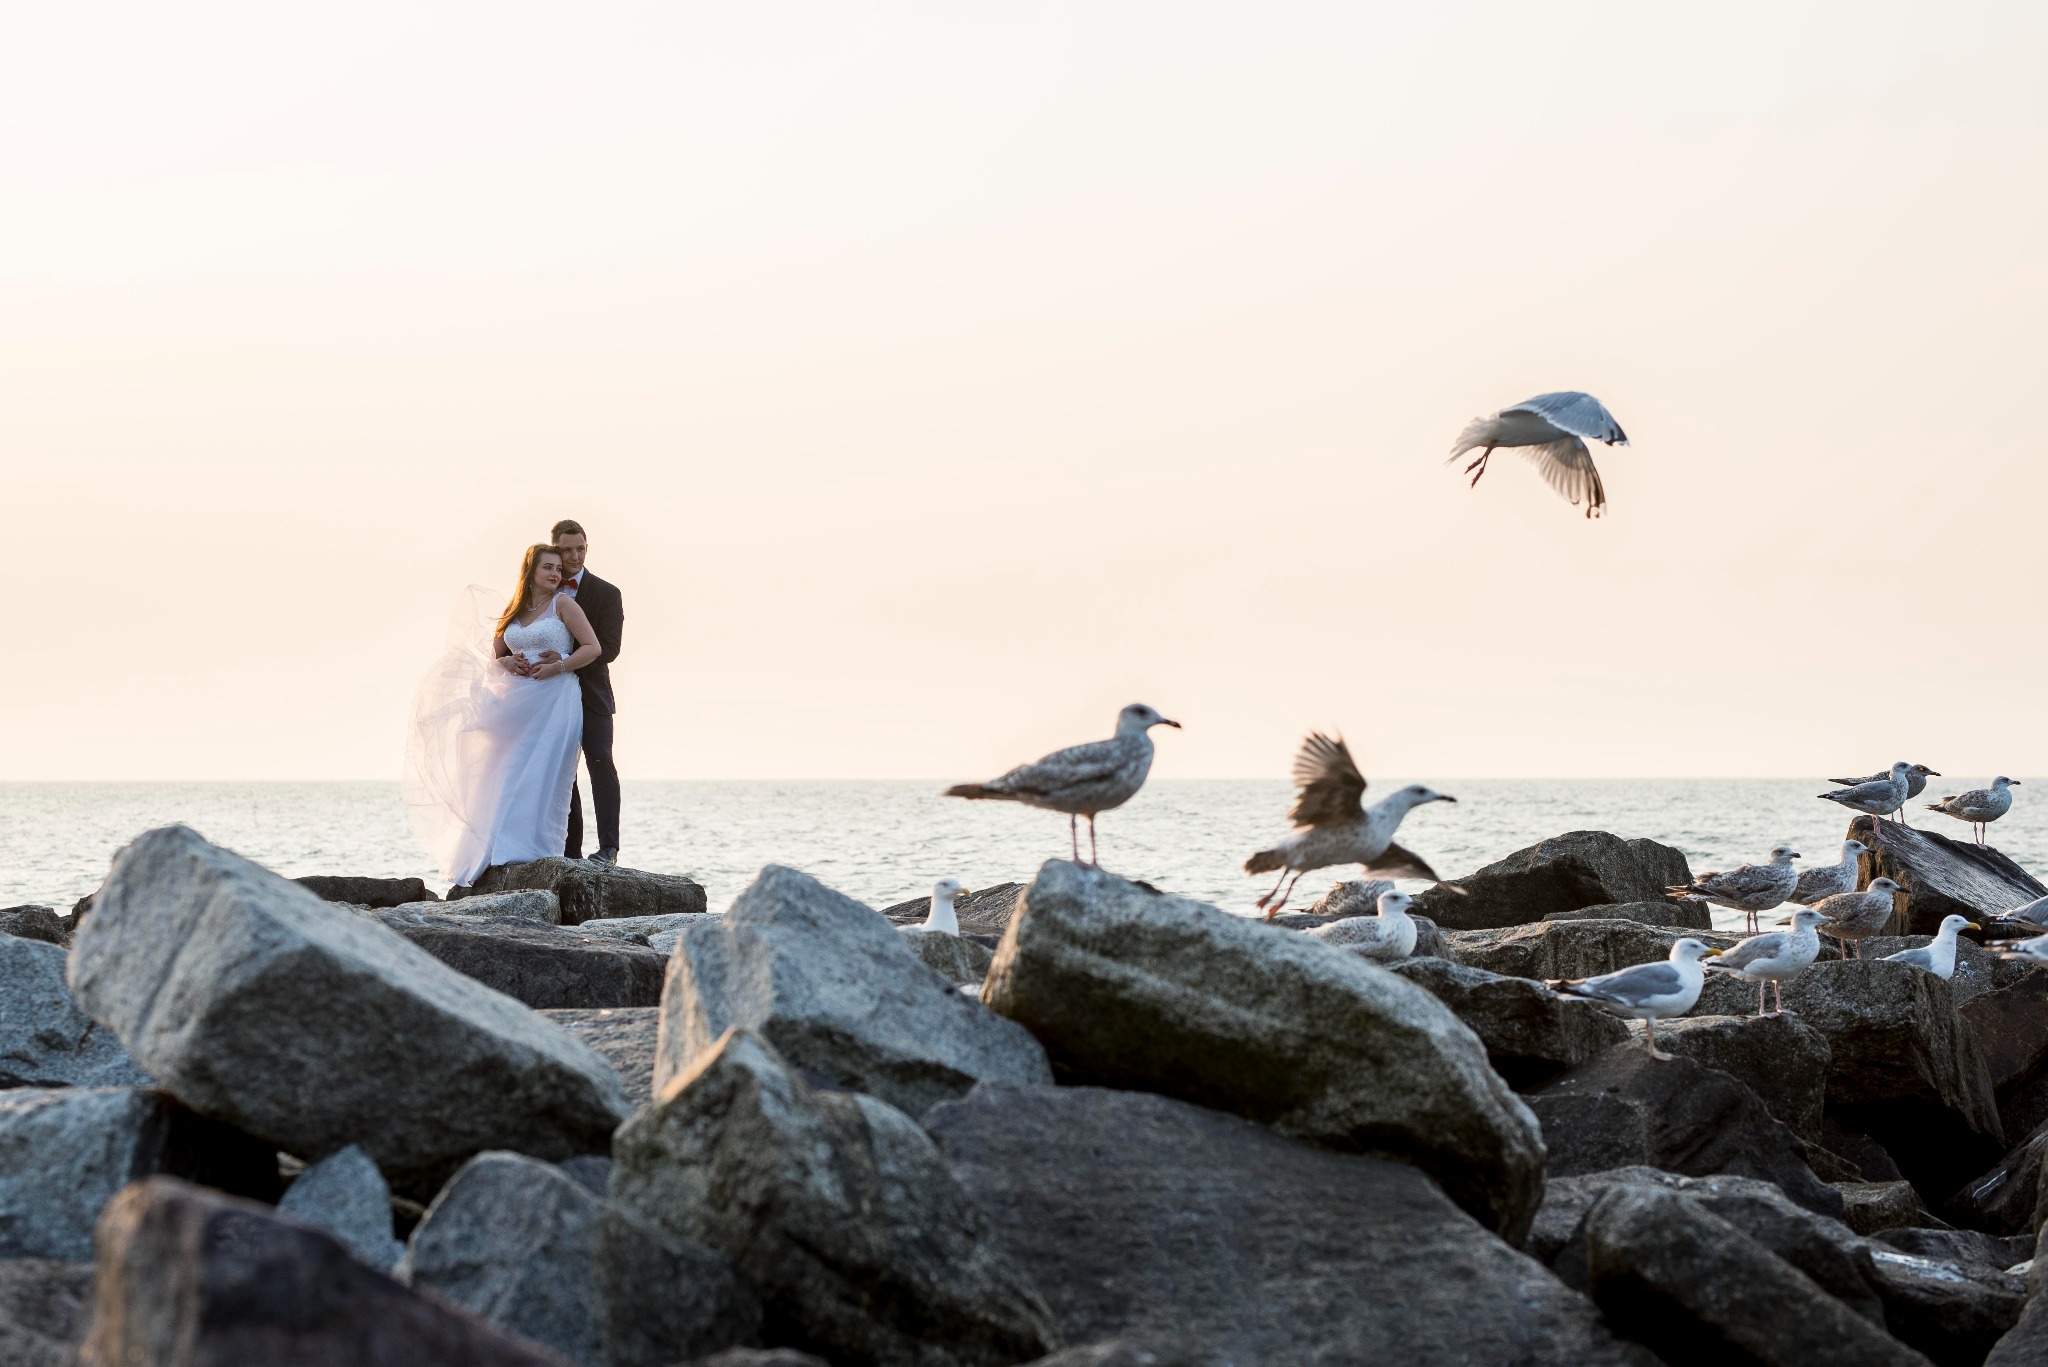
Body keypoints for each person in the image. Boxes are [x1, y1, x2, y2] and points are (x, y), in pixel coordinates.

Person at [405, 544, 603, 886]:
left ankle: (534, 849)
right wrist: (506, 661)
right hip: (516, 700)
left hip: (556, 698)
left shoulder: (564, 604)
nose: (556, 574)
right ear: (531, 571)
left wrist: (558, 666)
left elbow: (592, 647)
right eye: (549, 568)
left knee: (542, 770)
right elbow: (494, 657)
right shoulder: (513, 610)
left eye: (559, 569)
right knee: (506, 770)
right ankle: (498, 847)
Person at [542, 519, 625, 864]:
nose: (574, 556)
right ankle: (570, 851)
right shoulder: (540, 593)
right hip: (547, 696)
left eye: (581, 549)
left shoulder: (607, 593)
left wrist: (565, 659)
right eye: (567, 549)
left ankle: (609, 848)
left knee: (601, 762)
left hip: (592, 694)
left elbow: (609, 648)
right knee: (564, 773)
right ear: (554, 549)